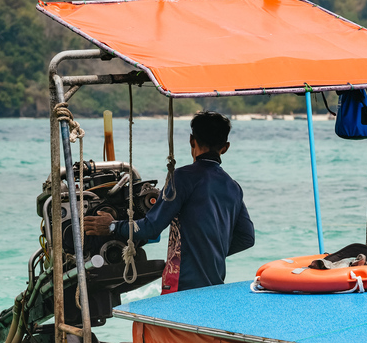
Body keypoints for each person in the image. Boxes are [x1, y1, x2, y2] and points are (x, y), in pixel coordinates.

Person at [84, 111, 254, 294]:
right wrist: (211, 252)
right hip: (214, 286)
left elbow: (152, 227)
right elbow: (247, 238)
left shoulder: (182, 177)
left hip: (181, 286)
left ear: (191, 140)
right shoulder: (233, 187)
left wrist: (112, 227)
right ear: (225, 147)